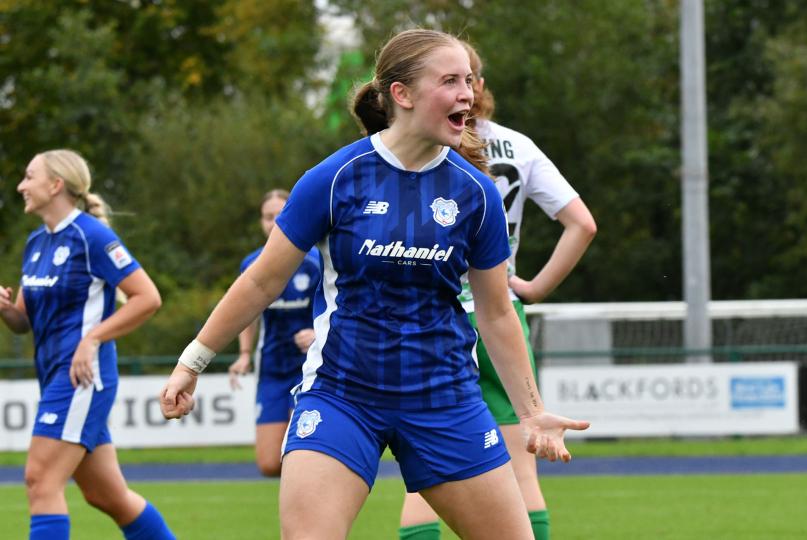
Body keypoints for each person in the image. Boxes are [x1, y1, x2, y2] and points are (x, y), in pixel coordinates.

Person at [159, 28, 589, 540]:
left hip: (444, 397)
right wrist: (193, 361)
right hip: (344, 394)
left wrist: (533, 413)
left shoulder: (477, 193)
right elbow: (259, 283)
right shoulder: (335, 177)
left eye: (468, 81)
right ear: (401, 95)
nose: (467, 95)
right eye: (449, 81)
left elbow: (496, 313)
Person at [398, 40, 598, 540]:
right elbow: (582, 224)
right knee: (522, 465)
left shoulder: (421, 142)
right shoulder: (517, 146)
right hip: (500, 310)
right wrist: (533, 288)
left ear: (473, 85)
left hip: (435, 311)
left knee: (422, 478)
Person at [0, 149, 175, 540]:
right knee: (107, 496)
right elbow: (23, 323)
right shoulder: (36, 244)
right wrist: (6, 309)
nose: (21, 186)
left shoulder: (92, 236)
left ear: (55, 185)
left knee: (40, 480)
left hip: (80, 380)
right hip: (56, 378)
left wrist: (92, 338)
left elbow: (148, 297)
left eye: (29, 176)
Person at [228, 189, 321, 476]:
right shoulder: (252, 264)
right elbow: (246, 311)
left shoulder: (316, 260)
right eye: (268, 217)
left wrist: (318, 333)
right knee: (269, 463)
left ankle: (315, 508)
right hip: (271, 368)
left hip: (308, 368)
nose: (274, 222)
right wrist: (244, 353)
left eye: (280, 215)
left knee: (300, 453)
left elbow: (338, 305)